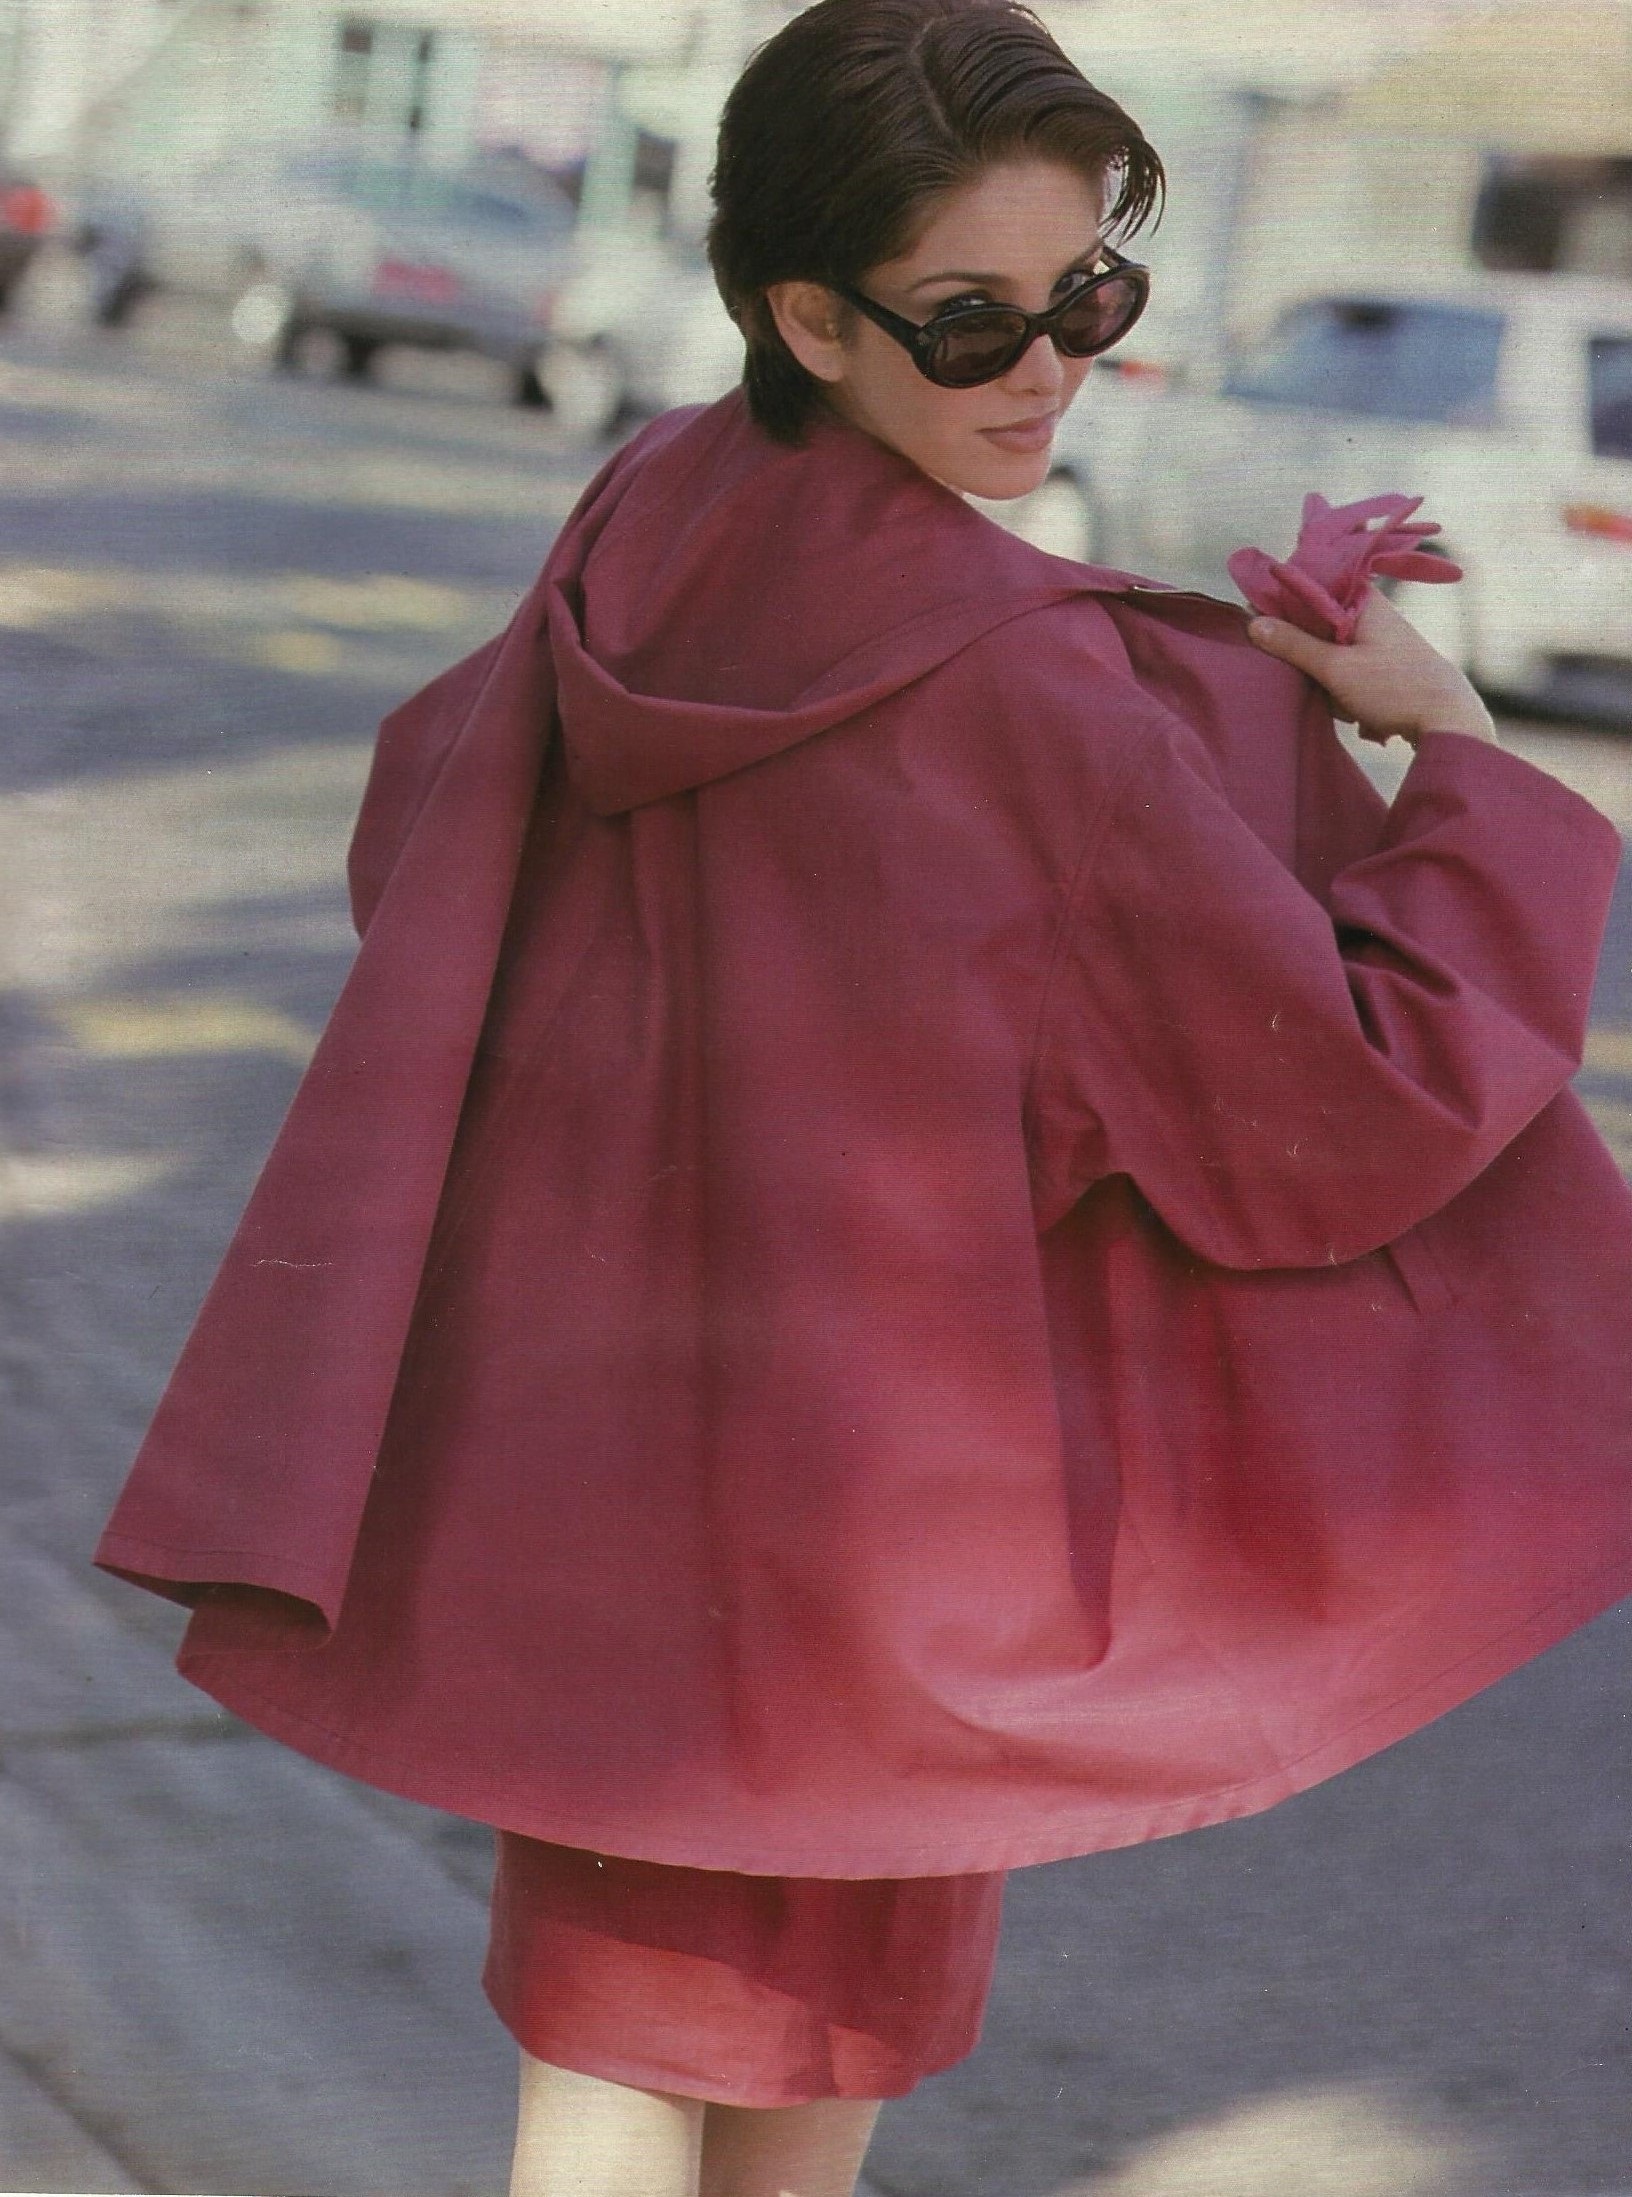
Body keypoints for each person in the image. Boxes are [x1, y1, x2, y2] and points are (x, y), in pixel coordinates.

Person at [95, 2, 1632, 2193]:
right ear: (803, 314)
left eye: (1089, 296)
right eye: (971, 320)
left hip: (604, 1482)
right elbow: (1340, 1109)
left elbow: (432, 834)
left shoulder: (659, 516)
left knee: (608, 2073)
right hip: (869, 1545)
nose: (1047, 368)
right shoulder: (1024, 682)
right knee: (757, 2109)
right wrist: (1459, 759)